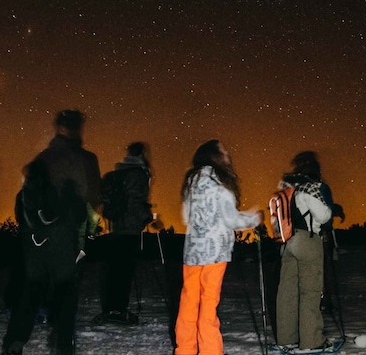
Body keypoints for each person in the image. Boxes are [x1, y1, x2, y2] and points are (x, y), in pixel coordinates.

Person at [3, 109, 101, 355]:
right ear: (77, 129)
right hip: (67, 237)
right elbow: (92, 200)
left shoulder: (42, 159)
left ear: (57, 128)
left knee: (31, 290)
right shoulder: (86, 159)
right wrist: (88, 232)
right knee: (66, 295)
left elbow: (24, 202)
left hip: (36, 239)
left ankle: (14, 342)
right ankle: (63, 347)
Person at [174, 139, 261, 355]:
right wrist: (253, 219)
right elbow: (231, 220)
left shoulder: (191, 183)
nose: (228, 155)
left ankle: (184, 349)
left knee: (188, 302)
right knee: (208, 304)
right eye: (224, 152)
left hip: (192, 253)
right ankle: (210, 351)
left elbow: (186, 217)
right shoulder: (220, 185)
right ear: (214, 156)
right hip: (215, 253)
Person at [275, 151, 334, 351]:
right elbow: (324, 216)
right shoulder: (310, 187)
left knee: (287, 292)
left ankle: (286, 338)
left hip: (286, 243)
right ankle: (311, 341)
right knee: (310, 292)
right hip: (307, 240)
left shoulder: (286, 188)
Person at [95, 142, 153, 325]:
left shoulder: (116, 174)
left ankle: (110, 308)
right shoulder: (138, 174)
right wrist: (147, 217)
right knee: (125, 270)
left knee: (114, 269)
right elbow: (135, 201)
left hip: (115, 226)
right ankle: (119, 309)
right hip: (130, 228)